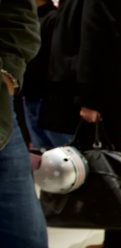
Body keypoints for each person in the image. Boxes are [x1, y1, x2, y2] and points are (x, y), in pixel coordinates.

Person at [0, 0, 116, 248]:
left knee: (26, 238)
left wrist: (7, 73)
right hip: (40, 99)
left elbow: (20, 19)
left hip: (8, 113)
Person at [37, 0, 121, 248]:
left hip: (96, 98)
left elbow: (97, 39)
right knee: (108, 168)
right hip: (98, 95)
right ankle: (119, 242)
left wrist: (91, 99)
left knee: (107, 172)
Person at [21, 0, 72, 151]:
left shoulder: (54, 18)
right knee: (40, 151)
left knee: (59, 151)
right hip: (31, 92)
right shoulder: (29, 18)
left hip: (47, 97)